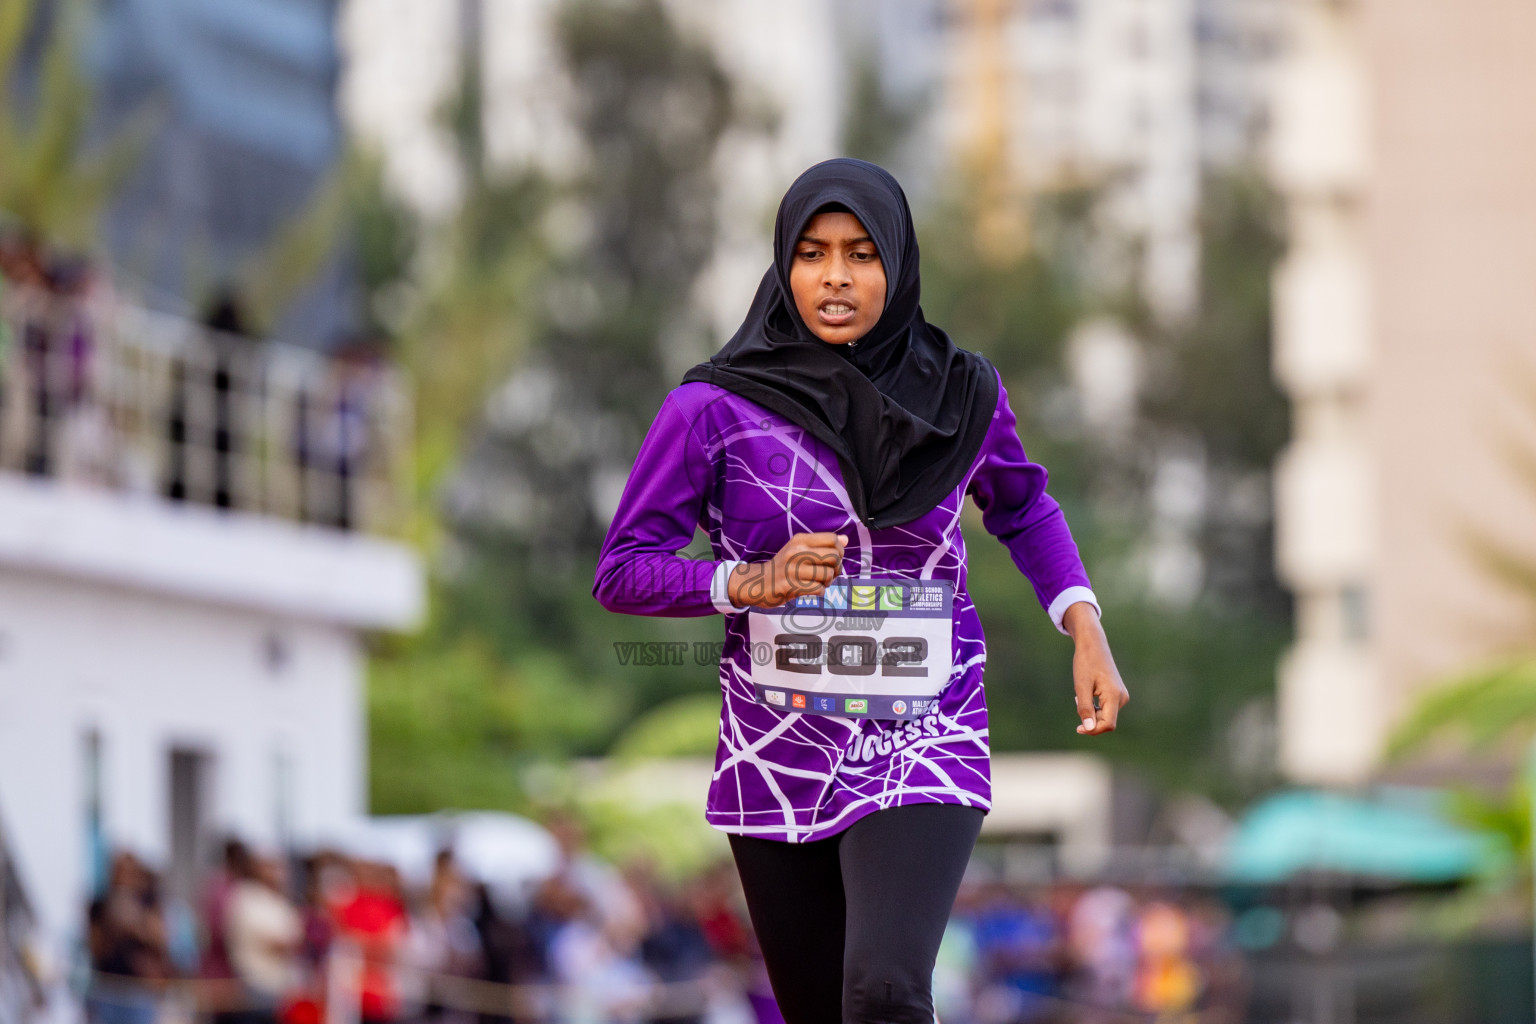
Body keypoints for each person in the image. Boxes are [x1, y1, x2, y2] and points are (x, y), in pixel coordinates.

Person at [593, 158, 1129, 1023]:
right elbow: (623, 570)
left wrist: (1084, 622)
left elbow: (1024, 508)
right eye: (812, 254)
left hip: (928, 724)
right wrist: (748, 580)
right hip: (778, 744)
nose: (836, 276)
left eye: (862, 253)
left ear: (900, 263)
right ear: (784, 265)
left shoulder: (964, 393)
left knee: (884, 988)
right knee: (821, 1009)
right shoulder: (712, 408)